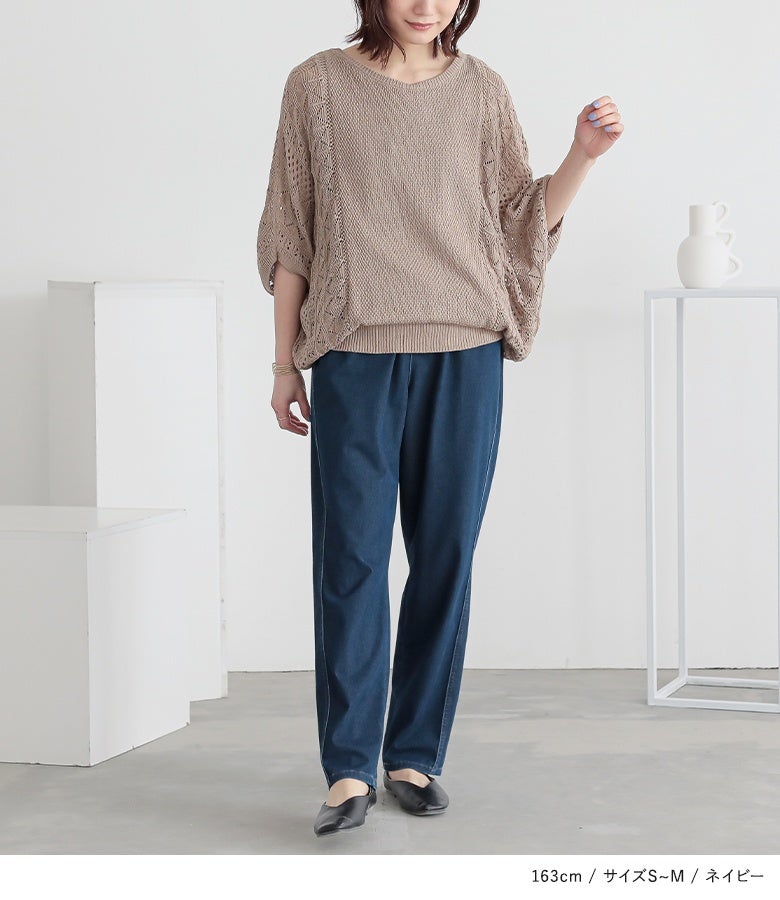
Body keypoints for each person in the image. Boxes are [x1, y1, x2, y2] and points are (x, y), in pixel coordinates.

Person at [257, 0, 622, 837]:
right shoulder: (317, 86)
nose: (427, 4)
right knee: (350, 561)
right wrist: (283, 364)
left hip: (466, 354)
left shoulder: (482, 89)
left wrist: (582, 156)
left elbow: (521, 222)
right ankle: (348, 770)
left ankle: (413, 755)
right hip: (356, 355)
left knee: (445, 558)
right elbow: (290, 232)